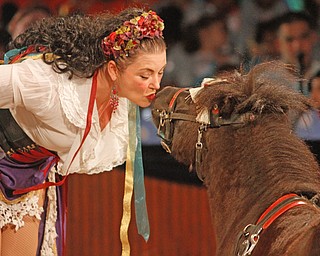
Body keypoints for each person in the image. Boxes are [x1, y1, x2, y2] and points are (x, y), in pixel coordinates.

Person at [0, 7, 166, 256]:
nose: (156, 84)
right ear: (112, 70)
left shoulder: (120, 100)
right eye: (145, 74)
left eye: (160, 72)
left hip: (33, 175)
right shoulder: (51, 85)